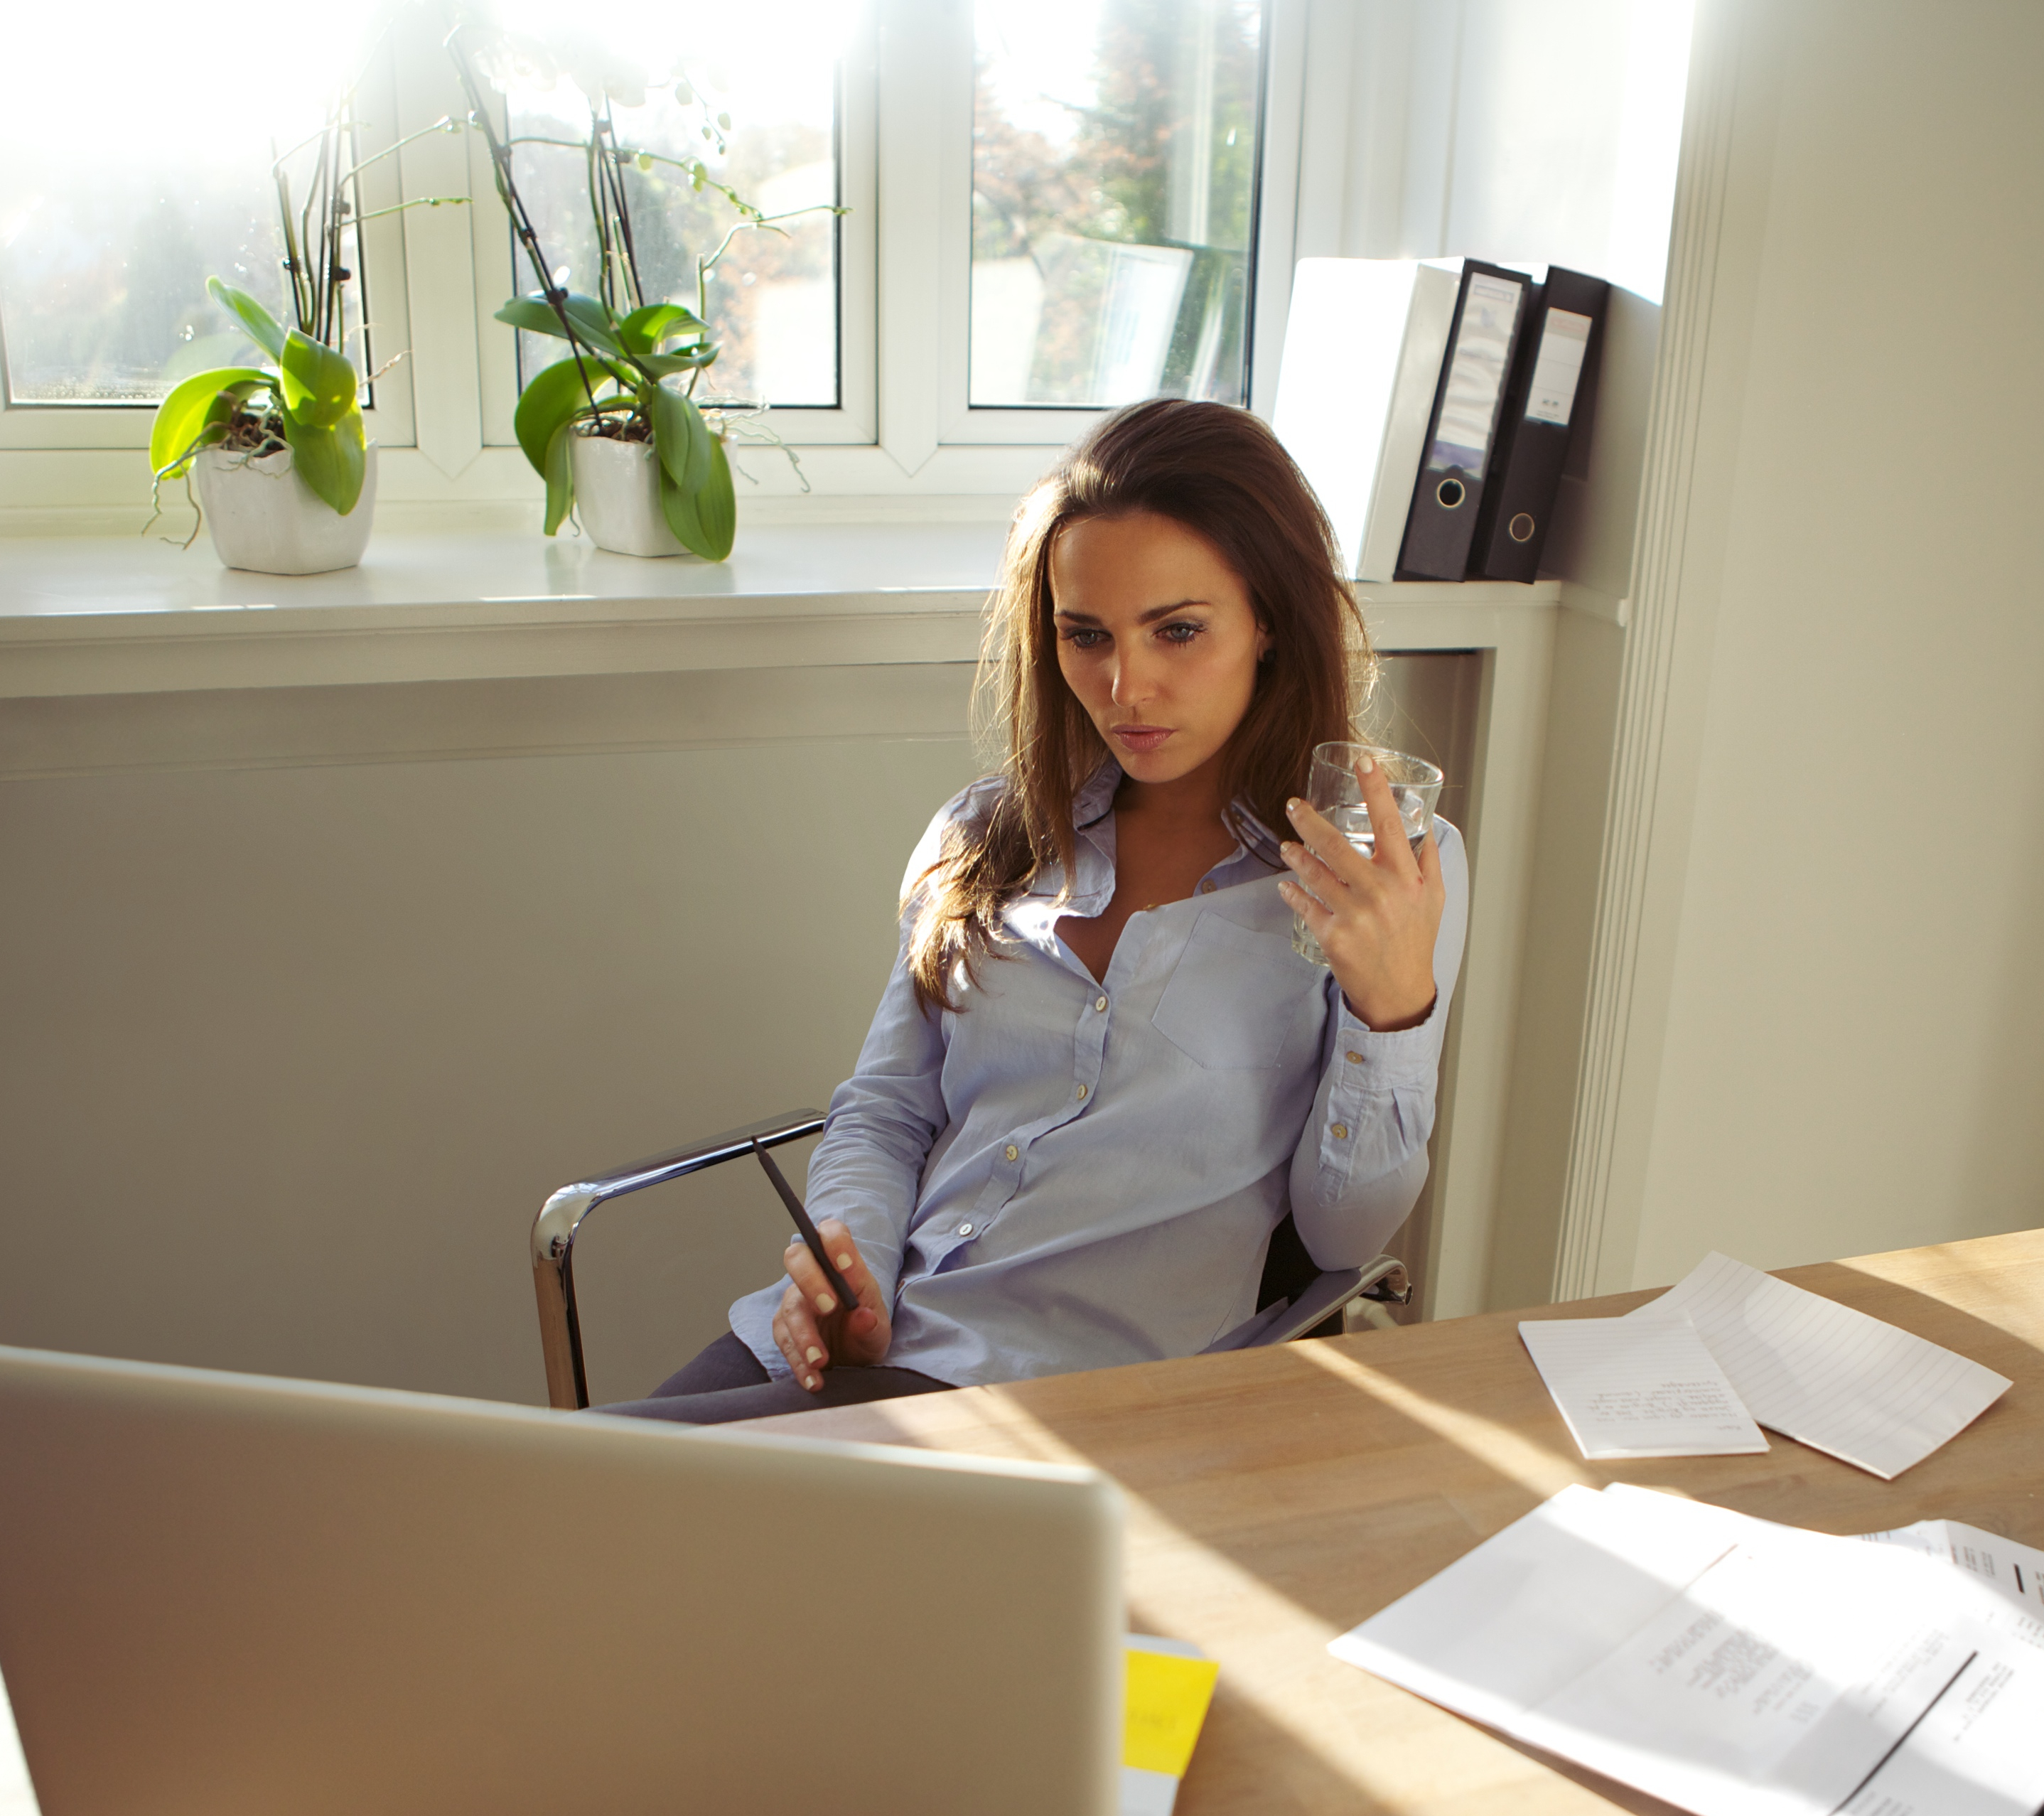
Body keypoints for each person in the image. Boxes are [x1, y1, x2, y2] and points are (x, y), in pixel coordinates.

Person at [599, 398, 1468, 1424]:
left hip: (1060, 1402)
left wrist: (1391, 1011)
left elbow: (1342, 1242)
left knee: (579, 1538)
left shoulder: (1385, 873)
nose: (1125, 686)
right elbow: (886, 1112)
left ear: (1269, 622)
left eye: (1178, 631)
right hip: (850, 1355)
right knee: (552, 1505)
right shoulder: (987, 832)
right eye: (1085, 634)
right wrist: (851, 1271)